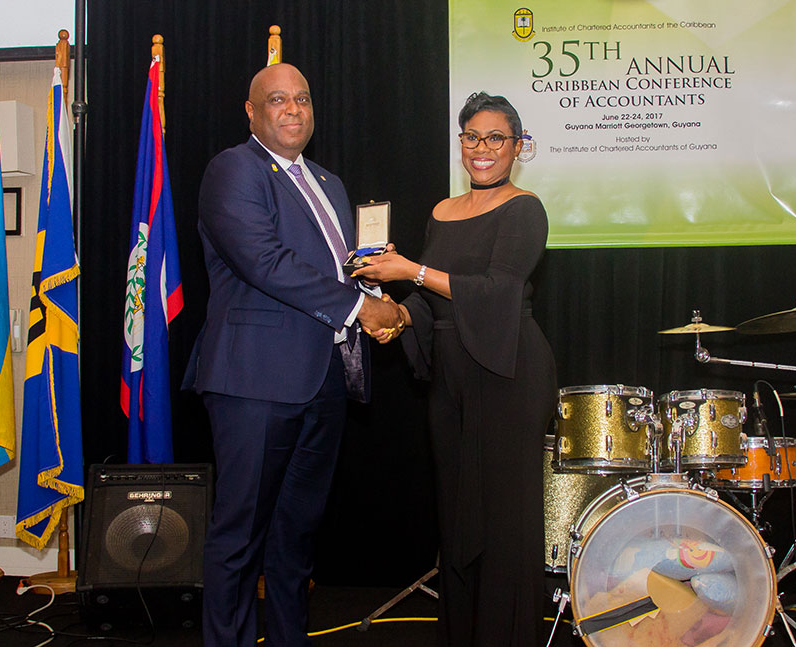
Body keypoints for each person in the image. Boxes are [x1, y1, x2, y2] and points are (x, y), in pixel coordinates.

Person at [192, 63, 403, 647]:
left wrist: (374, 283)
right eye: (278, 100)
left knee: (295, 539)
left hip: (323, 380)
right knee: (240, 538)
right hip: (254, 381)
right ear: (252, 112)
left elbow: (335, 271)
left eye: (303, 99)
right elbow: (264, 261)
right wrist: (361, 309)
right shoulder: (234, 169)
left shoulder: (329, 183)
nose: (293, 110)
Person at [354, 92, 557, 646]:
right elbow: (432, 302)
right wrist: (397, 315)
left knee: (505, 522)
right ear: (461, 142)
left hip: (508, 370)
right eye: (471, 137)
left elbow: (497, 291)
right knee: (458, 515)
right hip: (452, 375)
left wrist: (411, 272)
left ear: (517, 146)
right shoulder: (442, 212)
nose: (481, 148)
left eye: (495, 138)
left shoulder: (526, 209)